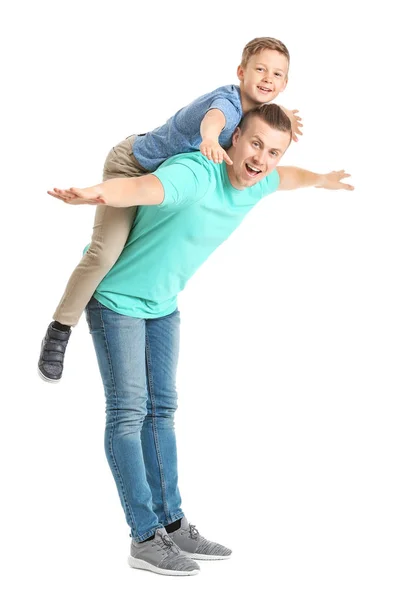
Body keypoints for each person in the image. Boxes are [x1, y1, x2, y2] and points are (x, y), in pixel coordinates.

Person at [47, 104, 353, 576]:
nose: (262, 159)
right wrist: (95, 193)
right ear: (232, 139)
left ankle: (171, 523)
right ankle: (143, 536)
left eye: (272, 151)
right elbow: (141, 187)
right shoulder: (197, 172)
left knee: (162, 410)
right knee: (129, 413)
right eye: (254, 145)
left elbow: (290, 176)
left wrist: (324, 179)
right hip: (117, 302)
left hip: (163, 305)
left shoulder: (262, 180)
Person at [38, 36, 303, 382]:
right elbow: (214, 120)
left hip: (165, 187)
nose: (268, 78)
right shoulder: (227, 104)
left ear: (285, 84)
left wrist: (284, 116)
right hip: (135, 167)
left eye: (277, 75)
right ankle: (60, 327)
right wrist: (210, 138)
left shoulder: (258, 116)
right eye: (260, 70)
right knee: (105, 255)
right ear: (241, 72)